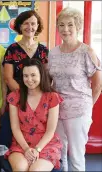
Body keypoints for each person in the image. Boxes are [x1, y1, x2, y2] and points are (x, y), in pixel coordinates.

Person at [48, 7, 101, 171]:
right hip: (57, 110)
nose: (65, 29)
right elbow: (50, 80)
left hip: (79, 110)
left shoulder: (87, 51)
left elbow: (98, 83)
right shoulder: (53, 53)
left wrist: (88, 107)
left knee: (76, 156)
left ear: (78, 27)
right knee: (59, 152)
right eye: (61, 25)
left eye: (70, 25)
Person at [5, 59, 63, 171]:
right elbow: (15, 128)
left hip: (46, 145)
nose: (29, 79)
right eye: (25, 76)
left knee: (35, 170)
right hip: (21, 144)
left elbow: (50, 130)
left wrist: (37, 149)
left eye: (33, 75)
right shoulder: (15, 96)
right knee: (21, 168)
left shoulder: (52, 97)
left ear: (41, 75)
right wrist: (26, 149)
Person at [2, 10, 48, 93]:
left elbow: (46, 76)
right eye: (26, 23)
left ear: (37, 26)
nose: (30, 27)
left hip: (38, 98)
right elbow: (8, 78)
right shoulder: (12, 49)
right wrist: (25, 96)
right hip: (17, 98)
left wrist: (35, 96)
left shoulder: (43, 50)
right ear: (20, 26)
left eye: (33, 24)